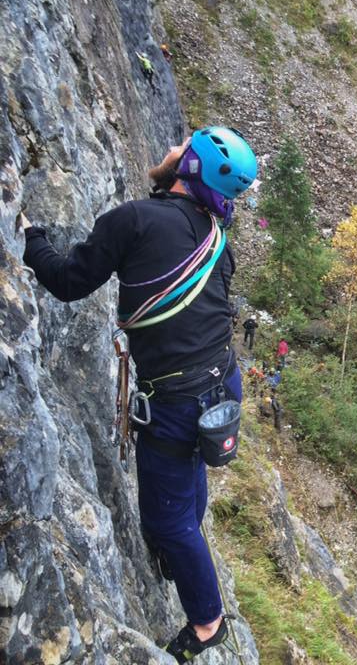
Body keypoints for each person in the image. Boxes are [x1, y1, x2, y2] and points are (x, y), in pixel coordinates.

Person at [20, 126, 259, 662]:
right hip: (222, 382)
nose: (173, 148)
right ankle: (184, 550)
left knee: (165, 520)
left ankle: (207, 622)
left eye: (183, 147)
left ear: (190, 167)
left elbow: (66, 281)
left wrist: (27, 235)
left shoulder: (133, 220)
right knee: (187, 486)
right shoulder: (215, 235)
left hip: (176, 402)